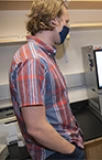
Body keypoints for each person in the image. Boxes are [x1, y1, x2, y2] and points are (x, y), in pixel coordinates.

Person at [9, 0, 85, 160]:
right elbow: (36, 128)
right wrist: (72, 152)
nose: (67, 27)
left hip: (62, 145)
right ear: (53, 21)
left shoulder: (43, 55)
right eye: (66, 21)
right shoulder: (32, 60)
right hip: (57, 152)